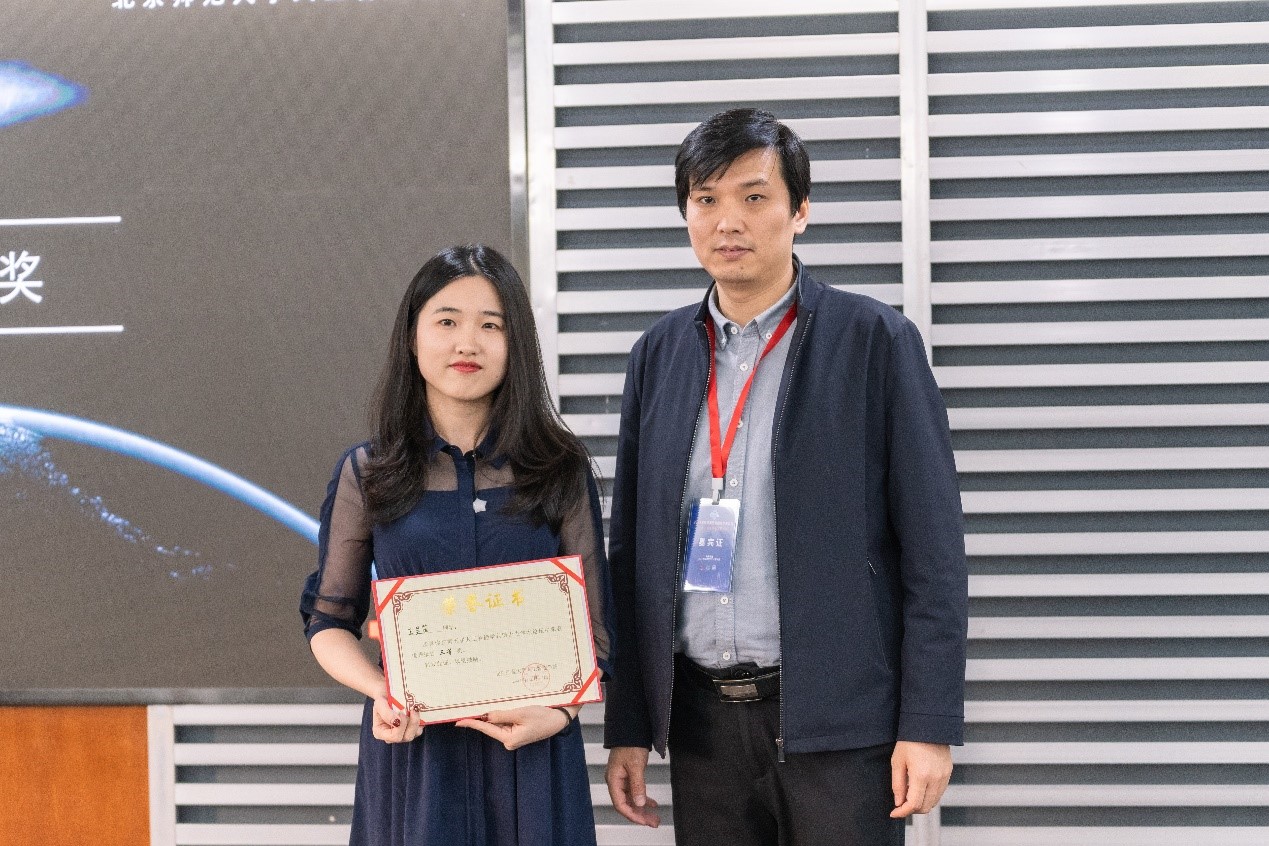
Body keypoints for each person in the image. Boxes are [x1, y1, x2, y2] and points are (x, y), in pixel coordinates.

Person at [603, 108, 968, 845]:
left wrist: (927, 723)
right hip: (701, 724)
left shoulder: (874, 341)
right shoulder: (658, 355)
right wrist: (630, 725)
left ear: (800, 210)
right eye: (706, 199)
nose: (727, 221)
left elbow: (934, 550)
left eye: (754, 196)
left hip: (840, 723)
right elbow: (631, 553)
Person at [300, 244, 613, 846]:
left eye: (491, 326)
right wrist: (382, 692)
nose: (467, 343)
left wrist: (560, 712)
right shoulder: (368, 473)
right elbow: (328, 622)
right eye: (447, 321)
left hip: (531, 757)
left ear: (516, 346)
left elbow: (596, 631)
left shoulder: (558, 468)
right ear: (412, 339)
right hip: (416, 753)